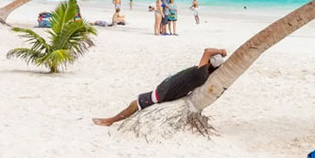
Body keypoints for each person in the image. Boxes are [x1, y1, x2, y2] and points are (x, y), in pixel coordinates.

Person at [92, 48, 228, 126]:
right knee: (136, 103)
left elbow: (207, 51)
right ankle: (111, 120)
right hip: (165, 91)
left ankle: (110, 121)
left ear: (209, 63)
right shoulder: (204, 74)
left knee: (134, 104)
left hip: (162, 94)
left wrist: (221, 51)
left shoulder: (201, 73)